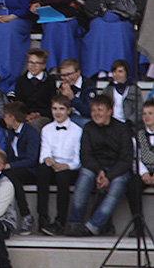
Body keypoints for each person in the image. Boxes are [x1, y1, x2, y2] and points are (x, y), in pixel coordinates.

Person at [66, 95, 132, 236]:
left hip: (117, 169)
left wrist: (108, 176)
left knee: (118, 184)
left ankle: (92, 227)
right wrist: (99, 171)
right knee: (84, 176)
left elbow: (126, 159)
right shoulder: (88, 128)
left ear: (110, 111)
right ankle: (74, 223)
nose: (96, 114)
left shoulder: (122, 129)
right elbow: (85, 155)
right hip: (95, 168)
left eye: (100, 110)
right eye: (93, 110)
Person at [82, 0, 144, 78]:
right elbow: (91, 3)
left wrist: (122, 14)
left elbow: (140, 3)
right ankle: (100, 69)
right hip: (102, 18)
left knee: (119, 29)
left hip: (124, 20)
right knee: (98, 27)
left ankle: (120, 70)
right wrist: (102, 14)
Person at [37, 94, 83, 236]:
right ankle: (42, 216)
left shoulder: (77, 131)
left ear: (69, 110)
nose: (57, 112)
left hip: (69, 167)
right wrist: (49, 161)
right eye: (55, 108)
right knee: (42, 170)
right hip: (52, 165)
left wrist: (65, 166)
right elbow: (44, 153)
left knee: (63, 177)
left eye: (61, 109)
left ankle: (60, 221)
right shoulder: (46, 129)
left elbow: (78, 159)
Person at [2, 100, 41, 236]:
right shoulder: (11, 133)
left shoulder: (31, 133)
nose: (4, 119)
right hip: (15, 169)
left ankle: (26, 215)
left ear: (12, 117)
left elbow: (31, 159)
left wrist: (10, 165)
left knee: (10, 176)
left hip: (30, 170)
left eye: (5, 116)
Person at [127, 99, 154, 237]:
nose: (146, 116)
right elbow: (136, 157)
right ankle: (138, 226)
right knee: (132, 185)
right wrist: (144, 173)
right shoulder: (138, 135)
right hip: (145, 171)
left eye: (150, 113)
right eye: (144, 113)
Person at [13, 48, 58, 129]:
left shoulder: (50, 81)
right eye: (30, 62)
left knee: (34, 124)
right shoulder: (21, 81)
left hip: (43, 116)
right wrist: (25, 116)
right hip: (25, 116)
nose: (33, 66)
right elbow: (18, 103)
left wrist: (39, 114)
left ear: (43, 65)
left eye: (37, 63)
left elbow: (52, 105)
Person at [101, 59, 144, 129]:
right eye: (114, 72)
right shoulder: (108, 89)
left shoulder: (134, 89)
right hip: (111, 125)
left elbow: (139, 110)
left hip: (129, 125)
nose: (117, 74)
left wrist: (129, 122)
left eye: (120, 72)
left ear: (126, 73)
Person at [57, 58, 97, 126]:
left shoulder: (88, 86)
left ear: (78, 72)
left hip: (83, 117)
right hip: (66, 117)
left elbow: (89, 112)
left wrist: (72, 98)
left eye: (69, 74)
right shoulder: (63, 85)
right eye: (63, 75)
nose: (66, 78)